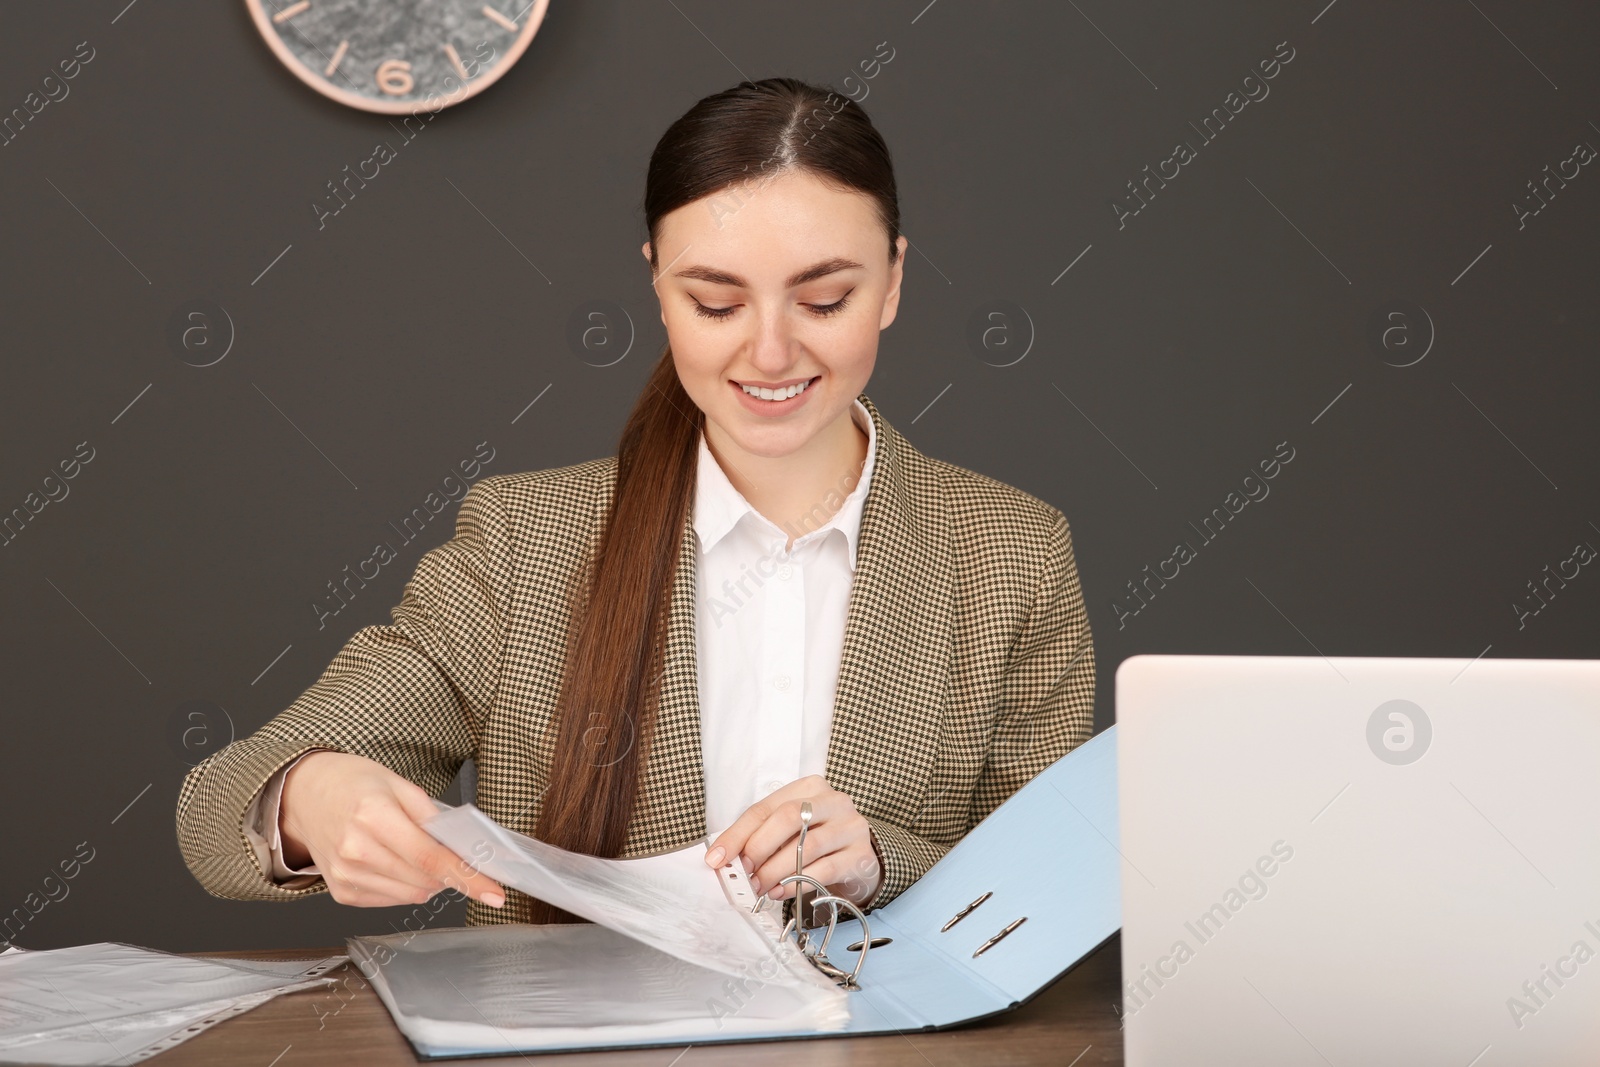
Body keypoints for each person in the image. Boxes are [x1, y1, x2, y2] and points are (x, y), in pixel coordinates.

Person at [175, 76, 1095, 927]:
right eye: (716, 303)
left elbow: (1053, 891)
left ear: (892, 281)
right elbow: (218, 809)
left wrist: (877, 867)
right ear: (658, 282)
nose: (770, 354)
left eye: (823, 300)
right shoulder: (521, 543)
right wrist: (312, 800)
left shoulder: (1011, 553)